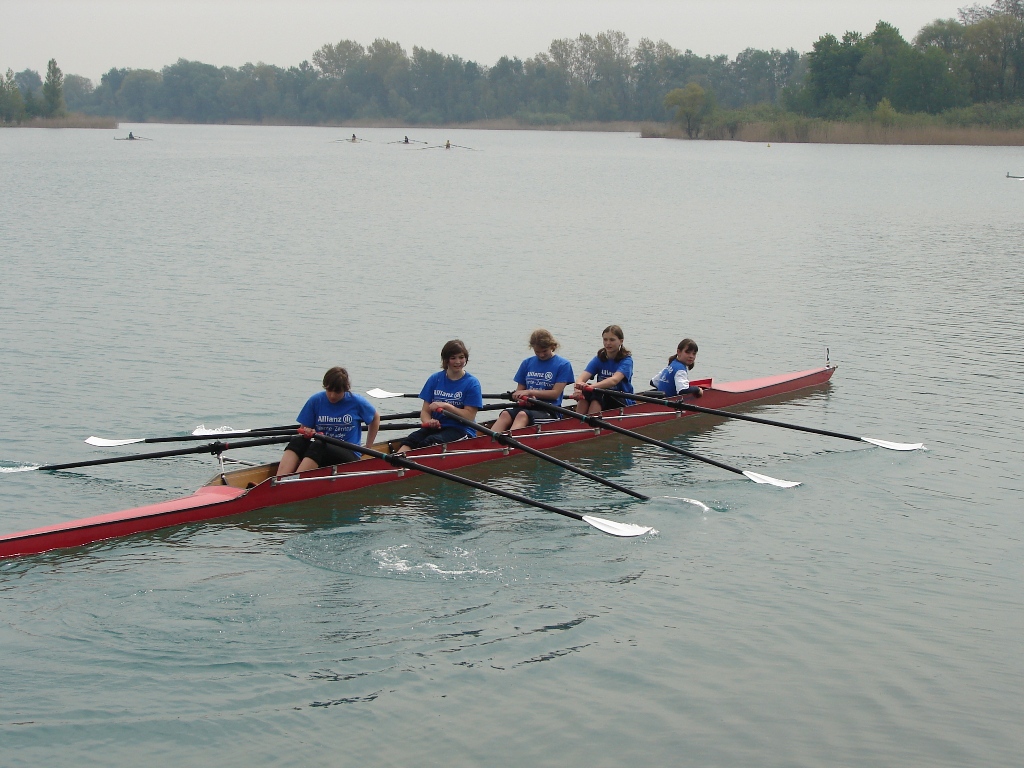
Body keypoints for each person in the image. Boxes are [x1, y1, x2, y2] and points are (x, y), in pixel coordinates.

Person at [276, 367, 380, 476]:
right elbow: (303, 430)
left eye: (337, 392)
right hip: (321, 450)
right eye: (329, 390)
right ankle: (279, 479)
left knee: (320, 445)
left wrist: (368, 447)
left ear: (345, 389)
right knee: (297, 441)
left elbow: (375, 418)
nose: (332, 396)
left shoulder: (356, 401)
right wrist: (307, 432)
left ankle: (294, 483)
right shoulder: (316, 400)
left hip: (349, 454)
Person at [396, 340, 483, 453]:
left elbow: (469, 416)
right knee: (411, 440)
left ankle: (409, 467)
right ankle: (394, 466)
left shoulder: (472, 383)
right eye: (453, 358)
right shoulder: (435, 379)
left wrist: (447, 406)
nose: (458, 362)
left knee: (430, 442)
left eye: (461, 357)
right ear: (446, 360)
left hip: (461, 430)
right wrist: (429, 422)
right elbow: (425, 412)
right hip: (437, 428)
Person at [491, 329, 575, 432]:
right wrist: (522, 399)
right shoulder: (527, 363)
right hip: (528, 407)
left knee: (522, 415)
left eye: (544, 351)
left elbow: (555, 394)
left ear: (552, 346)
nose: (541, 355)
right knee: (505, 414)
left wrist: (530, 392)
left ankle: (509, 445)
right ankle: (487, 444)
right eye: (537, 352)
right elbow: (520, 391)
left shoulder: (563, 365)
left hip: (550, 411)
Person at [574, 325, 634, 414]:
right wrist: (578, 390)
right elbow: (581, 379)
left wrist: (592, 387)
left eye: (612, 340)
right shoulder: (599, 358)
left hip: (622, 399)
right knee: (587, 391)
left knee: (598, 392)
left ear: (621, 341)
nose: (608, 343)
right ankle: (578, 422)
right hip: (602, 396)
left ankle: (591, 422)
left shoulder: (626, 360)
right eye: (605, 340)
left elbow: (614, 380)